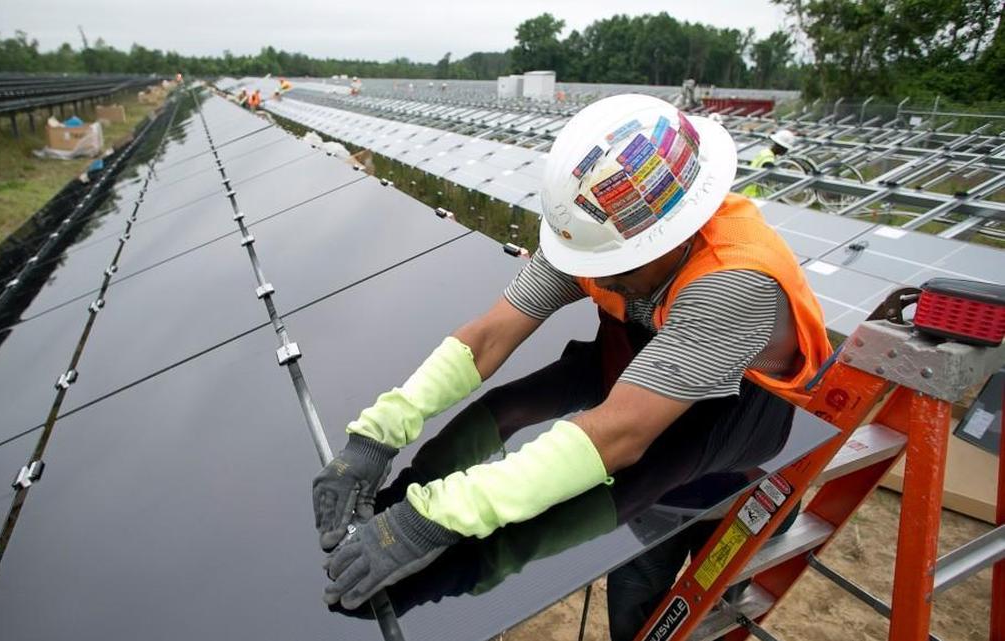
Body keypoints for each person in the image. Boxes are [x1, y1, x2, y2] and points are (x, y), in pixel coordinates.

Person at [312, 94, 831, 638]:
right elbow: (488, 339)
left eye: (612, 268)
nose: (597, 281)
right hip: (639, 354)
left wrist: (435, 517)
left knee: (632, 492)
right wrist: (376, 436)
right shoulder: (603, 239)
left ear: (674, 234)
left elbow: (618, 434)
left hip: (738, 411)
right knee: (508, 405)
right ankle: (414, 496)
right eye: (591, 265)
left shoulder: (734, 282)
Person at [742, 129, 796, 198]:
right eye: (785, 149)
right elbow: (769, 168)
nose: (786, 151)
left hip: (749, 191)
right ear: (780, 147)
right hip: (753, 194)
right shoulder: (768, 158)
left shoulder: (765, 152)